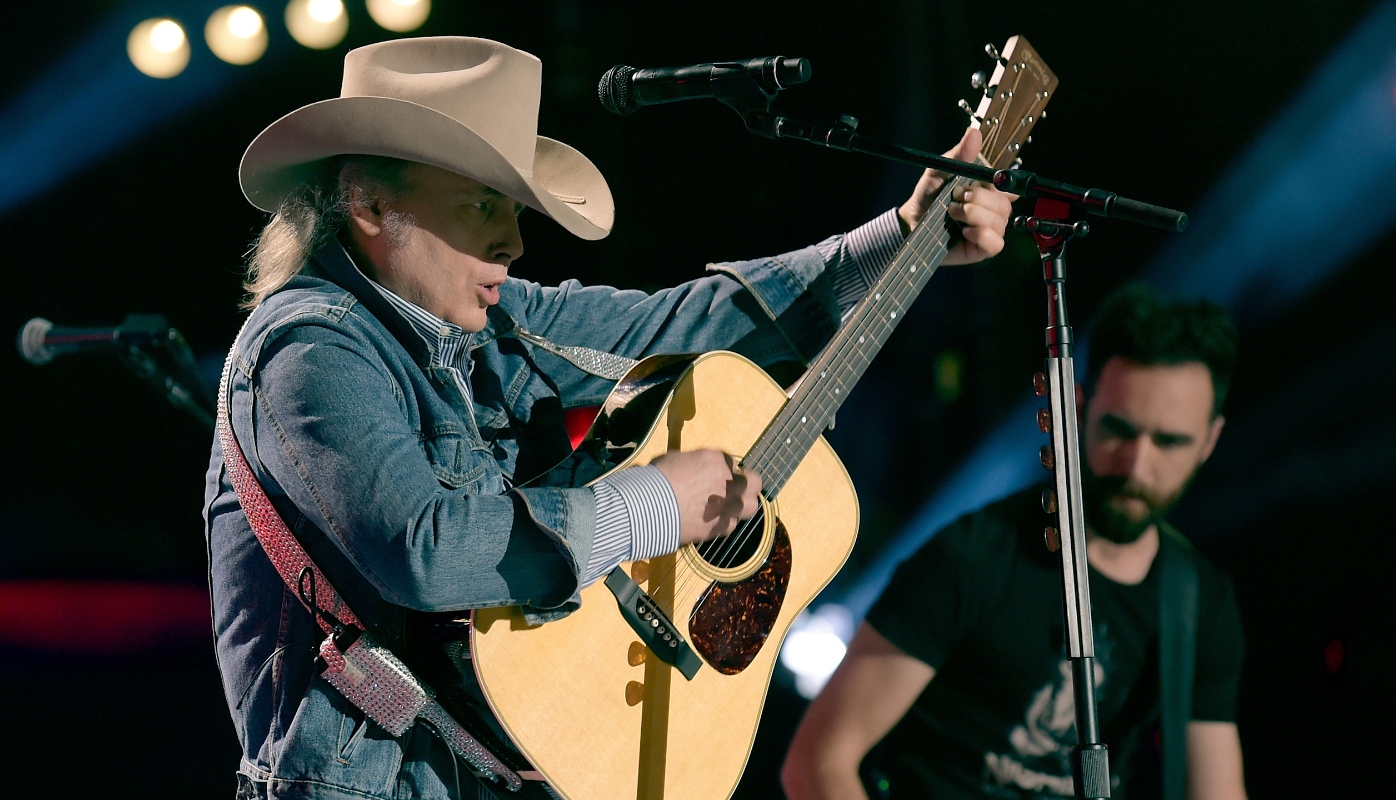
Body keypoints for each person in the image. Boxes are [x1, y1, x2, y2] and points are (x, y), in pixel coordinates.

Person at [202, 37, 1012, 800]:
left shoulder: (493, 321)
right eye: (485, 203)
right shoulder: (308, 348)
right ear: (370, 203)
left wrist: (904, 236)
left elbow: (687, 324)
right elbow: (425, 547)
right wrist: (658, 504)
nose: (516, 240)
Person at [782, 285, 1247, 800]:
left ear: (1210, 440)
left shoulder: (1199, 602)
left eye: (1170, 441)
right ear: (1076, 410)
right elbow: (818, 764)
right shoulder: (974, 556)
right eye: (1119, 429)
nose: (1136, 464)